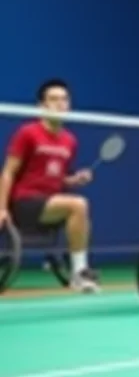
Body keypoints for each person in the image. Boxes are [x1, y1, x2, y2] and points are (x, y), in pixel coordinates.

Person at [0, 79, 100, 293]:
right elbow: (8, 172)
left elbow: (56, 177)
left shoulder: (70, 140)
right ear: (41, 105)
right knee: (78, 205)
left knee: (78, 206)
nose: (60, 104)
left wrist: (74, 180)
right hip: (25, 202)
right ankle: (79, 273)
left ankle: (79, 272)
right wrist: (1, 208)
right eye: (53, 99)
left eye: (64, 99)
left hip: (49, 202)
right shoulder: (27, 133)